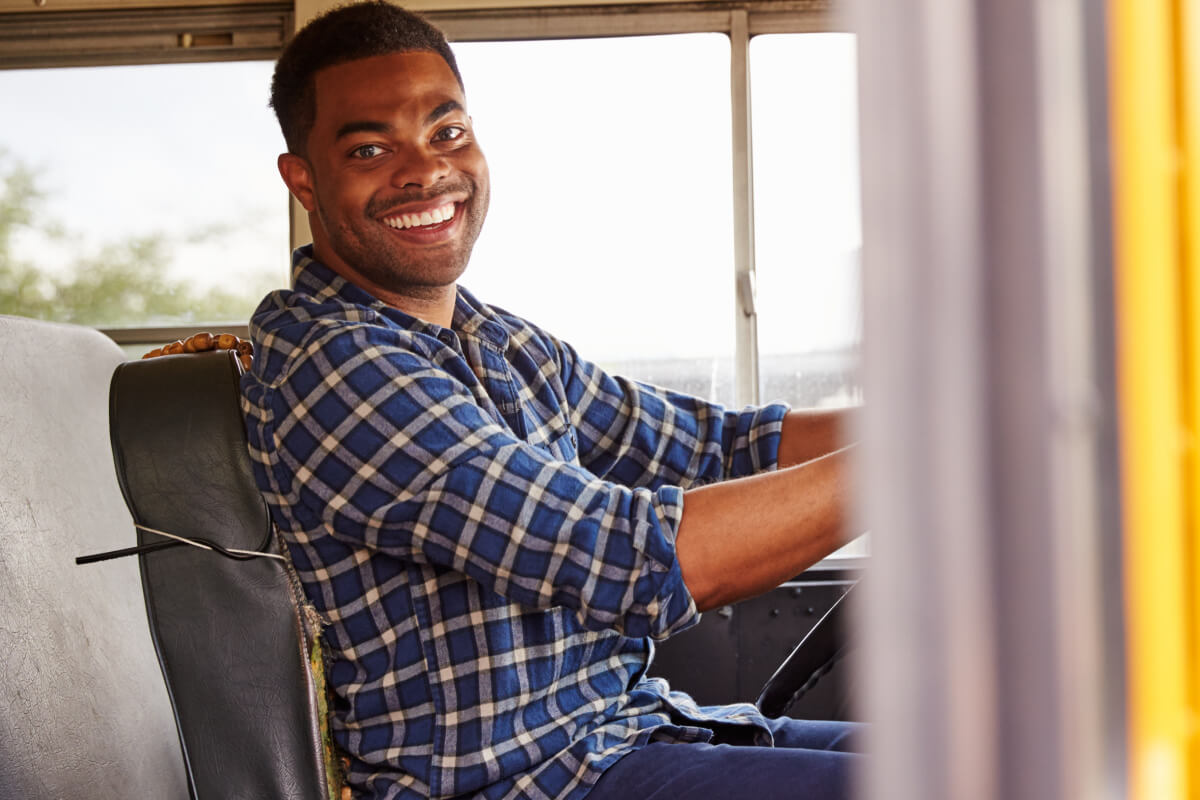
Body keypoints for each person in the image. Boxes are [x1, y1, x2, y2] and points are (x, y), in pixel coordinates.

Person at [241, 3, 861, 798]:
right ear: (304, 180)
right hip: (531, 782)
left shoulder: (498, 341)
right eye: (369, 148)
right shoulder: (331, 364)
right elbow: (635, 557)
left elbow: (719, 445)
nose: (426, 170)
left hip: (632, 729)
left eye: (447, 132)